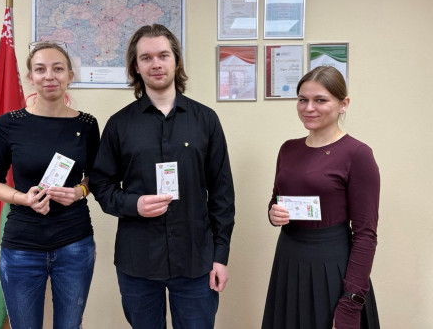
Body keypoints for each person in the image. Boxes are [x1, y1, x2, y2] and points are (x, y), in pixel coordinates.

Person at [89, 24, 235, 329]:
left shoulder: (206, 120)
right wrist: (134, 204)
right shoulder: (119, 125)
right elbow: (101, 185)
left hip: (196, 260)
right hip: (138, 261)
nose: (156, 64)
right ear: (136, 66)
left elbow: (222, 194)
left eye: (163, 55)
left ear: (176, 61)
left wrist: (220, 256)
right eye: (146, 58)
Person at [0, 41, 100, 329]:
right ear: (30, 77)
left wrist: (79, 192)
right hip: (22, 246)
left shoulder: (87, 125)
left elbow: (96, 176)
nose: (49, 76)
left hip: (75, 243)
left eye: (58, 69)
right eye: (40, 69)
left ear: (70, 76)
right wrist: (23, 198)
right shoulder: (8, 124)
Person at [262, 66, 380, 329]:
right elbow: (276, 200)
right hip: (288, 261)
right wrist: (273, 213)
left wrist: (351, 302)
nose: (309, 108)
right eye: (302, 99)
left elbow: (366, 235)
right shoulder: (288, 148)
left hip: (332, 267)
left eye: (320, 100)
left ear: (343, 104)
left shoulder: (357, 154)